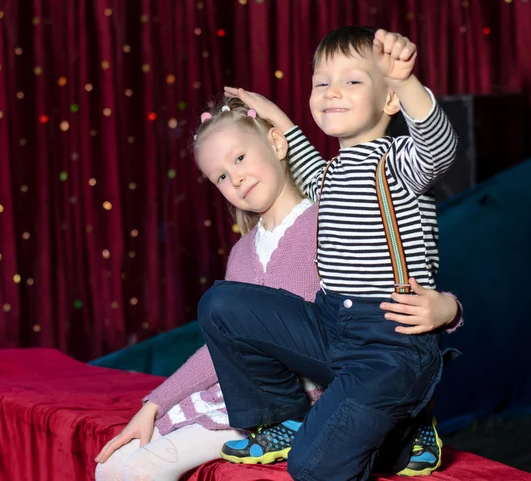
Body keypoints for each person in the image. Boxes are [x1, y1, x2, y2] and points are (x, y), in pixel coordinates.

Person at [95, 94, 462, 481]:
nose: (234, 178)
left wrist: (448, 308)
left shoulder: (329, 217)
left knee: (143, 469)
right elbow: (224, 344)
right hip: (251, 395)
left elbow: (392, 284)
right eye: (220, 176)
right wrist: (156, 405)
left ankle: (398, 424)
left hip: (323, 391)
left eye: (239, 159)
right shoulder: (241, 252)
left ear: (276, 143)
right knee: (112, 466)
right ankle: (276, 424)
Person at [197, 26, 459, 481]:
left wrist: (406, 81)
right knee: (220, 304)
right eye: (322, 83)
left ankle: (402, 427)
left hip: (389, 346)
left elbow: (438, 147)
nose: (332, 92)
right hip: (332, 326)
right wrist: (269, 112)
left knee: (313, 465)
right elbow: (299, 151)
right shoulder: (331, 174)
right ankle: (285, 417)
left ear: (389, 101)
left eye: (352, 81)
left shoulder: (399, 163)